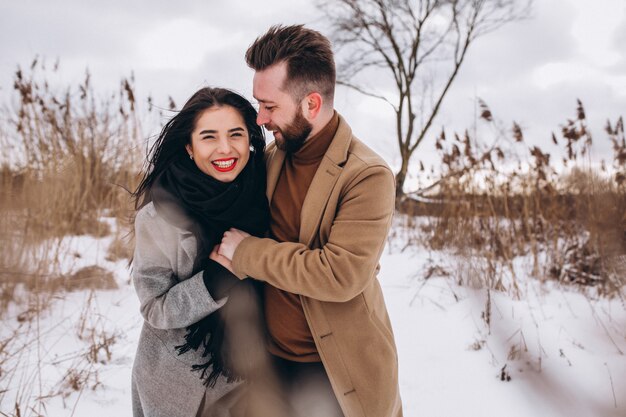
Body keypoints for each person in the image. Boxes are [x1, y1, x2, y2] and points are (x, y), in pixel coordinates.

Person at [216, 25, 403, 417]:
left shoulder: (367, 175)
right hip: (268, 367)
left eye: (270, 106)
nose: (261, 119)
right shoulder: (272, 157)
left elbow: (340, 274)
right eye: (258, 104)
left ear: (312, 104)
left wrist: (248, 253)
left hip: (334, 374)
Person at [130, 87, 277, 417]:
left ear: (250, 139)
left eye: (235, 134)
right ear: (189, 146)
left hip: (254, 381)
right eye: (209, 137)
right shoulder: (159, 216)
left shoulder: (267, 195)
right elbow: (154, 308)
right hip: (178, 387)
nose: (225, 148)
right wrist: (212, 282)